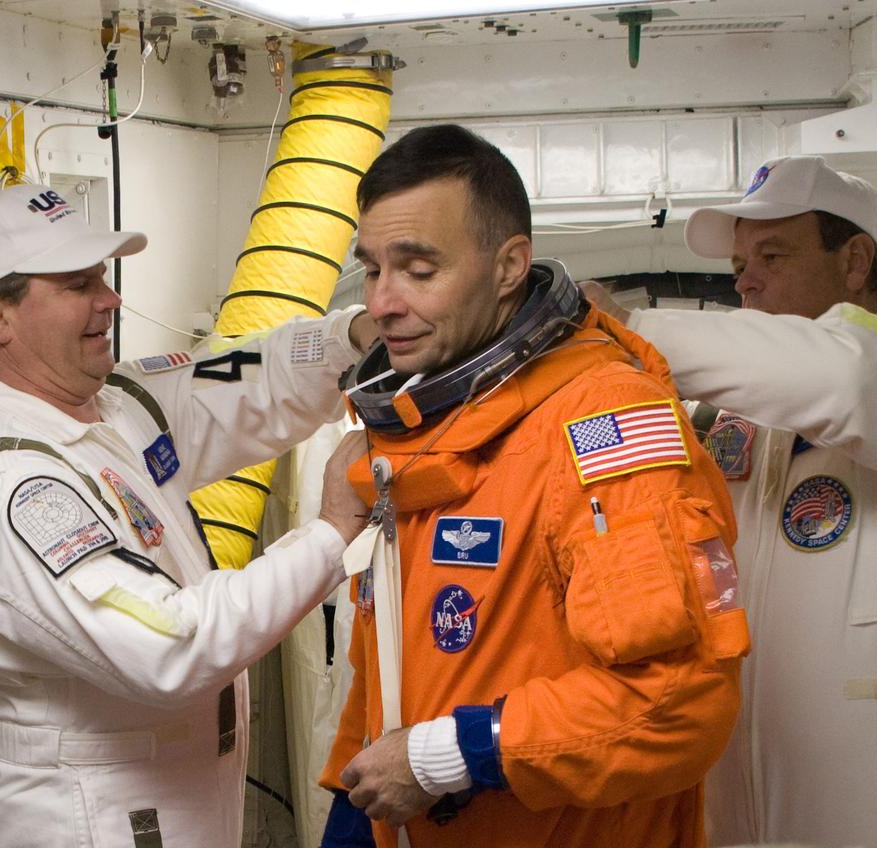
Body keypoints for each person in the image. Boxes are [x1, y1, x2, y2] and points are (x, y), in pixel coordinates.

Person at [317, 124, 747, 848]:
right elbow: (396, 665)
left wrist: (446, 756)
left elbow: (678, 702)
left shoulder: (600, 422)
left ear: (510, 265)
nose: (383, 302)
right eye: (373, 269)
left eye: (418, 270)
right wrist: (352, 813)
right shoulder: (427, 433)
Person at [0, 183, 379, 848]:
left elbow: (253, 377)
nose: (109, 299)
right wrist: (333, 530)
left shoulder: (118, 406)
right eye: (79, 283)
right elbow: (174, 646)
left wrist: (358, 334)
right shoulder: (8, 492)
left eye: (103, 278)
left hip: (174, 809)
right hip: (93, 824)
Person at [583, 155, 877, 848]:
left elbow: (846, 380)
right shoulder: (737, 422)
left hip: (876, 777)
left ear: (855, 261)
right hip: (734, 766)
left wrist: (624, 329)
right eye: (738, 265)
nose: (746, 278)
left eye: (772, 254)